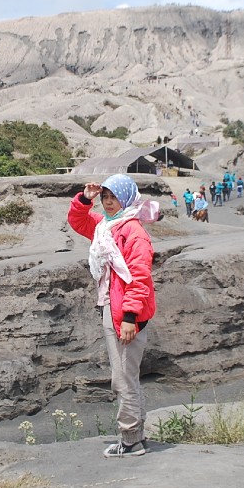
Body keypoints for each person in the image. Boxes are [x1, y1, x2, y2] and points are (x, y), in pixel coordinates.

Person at [67, 174, 159, 458]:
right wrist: (85, 199)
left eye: (113, 197)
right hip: (113, 306)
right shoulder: (106, 226)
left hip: (125, 312)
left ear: (127, 198)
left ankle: (130, 440)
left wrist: (129, 317)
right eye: (105, 197)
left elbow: (140, 277)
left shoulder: (133, 232)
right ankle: (136, 436)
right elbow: (79, 221)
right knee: (126, 374)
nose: (107, 202)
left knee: (122, 377)